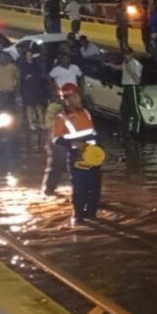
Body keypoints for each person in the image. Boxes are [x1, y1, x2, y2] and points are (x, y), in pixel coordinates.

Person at [52, 82, 103, 223]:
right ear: (67, 100)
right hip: (77, 158)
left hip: (93, 157)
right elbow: (56, 139)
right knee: (80, 189)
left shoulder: (86, 113)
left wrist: (102, 151)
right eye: (74, 97)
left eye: (78, 96)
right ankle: (78, 216)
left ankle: (92, 215)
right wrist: (73, 144)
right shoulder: (61, 118)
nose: (79, 99)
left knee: (95, 188)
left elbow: (94, 134)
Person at [110, 47, 142, 133]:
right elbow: (120, 67)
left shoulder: (136, 64)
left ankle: (136, 130)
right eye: (125, 54)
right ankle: (124, 129)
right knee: (124, 109)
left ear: (132, 54)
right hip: (126, 87)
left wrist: (129, 70)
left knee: (135, 110)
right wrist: (109, 65)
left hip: (132, 87)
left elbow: (137, 80)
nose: (126, 56)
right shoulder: (126, 62)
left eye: (128, 54)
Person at [19, 47, 47, 138]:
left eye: (30, 55)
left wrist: (32, 76)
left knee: (39, 106)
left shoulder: (36, 65)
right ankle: (31, 123)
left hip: (37, 88)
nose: (29, 57)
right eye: (27, 55)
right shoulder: (23, 66)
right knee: (29, 106)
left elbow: (40, 75)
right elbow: (22, 78)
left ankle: (41, 122)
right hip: (27, 89)